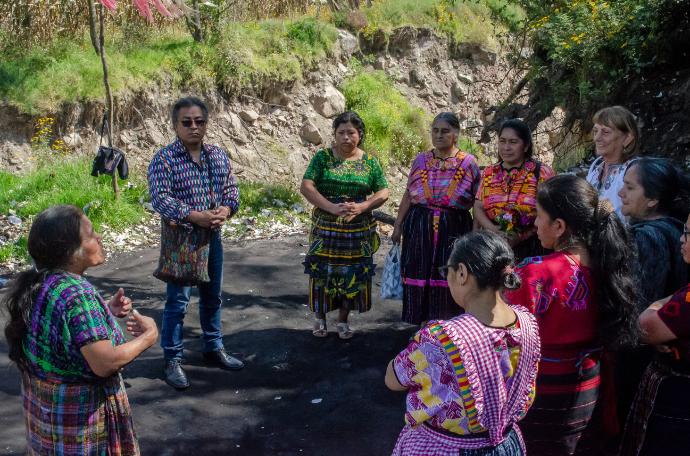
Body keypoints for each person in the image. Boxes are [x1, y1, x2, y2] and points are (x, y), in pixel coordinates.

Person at [2, 205, 158, 455]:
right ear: (71, 252)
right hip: (80, 431)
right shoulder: (78, 295)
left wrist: (104, 311)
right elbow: (105, 363)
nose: (99, 237)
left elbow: (60, 325)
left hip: (48, 424)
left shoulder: (43, 281)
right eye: (91, 234)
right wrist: (149, 336)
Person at [504, 174, 640, 455]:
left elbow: (506, 337)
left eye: (539, 216)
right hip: (588, 392)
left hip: (541, 394)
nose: (535, 223)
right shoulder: (608, 266)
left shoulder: (535, 273)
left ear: (559, 226)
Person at [386, 231, 541, 455]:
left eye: (446, 270)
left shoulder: (441, 338)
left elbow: (393, 380)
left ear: (461, 273)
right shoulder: (527, 324)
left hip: (446, 447)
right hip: (505, 444)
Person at [148, 96, 244, 390]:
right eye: (187, 122)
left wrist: (225, 210)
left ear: (206, 123)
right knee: (177, 302)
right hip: (181, 241)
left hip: (212, 238)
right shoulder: (164, 159)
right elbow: (160, 198)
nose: (194, 127)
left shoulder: (217, 156)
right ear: (175, 125)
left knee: (212, 296)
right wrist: (194, 216)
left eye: (199, 121)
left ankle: (213, 347)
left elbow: (231, 190)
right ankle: (172, 359)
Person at [300, 111, 389, 339]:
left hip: (357, 231)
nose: (346, 137)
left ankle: (342, 320)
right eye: (341, 132)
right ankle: (320, 318)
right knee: (322, 270)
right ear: (335, 134)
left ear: (360, 134)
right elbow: (307, 186)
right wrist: (331, 207)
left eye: (351, 133)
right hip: (326, 229)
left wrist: (363, 206)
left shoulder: (370, 162)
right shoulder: (322, 158)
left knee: (353, 272)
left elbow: (383, 191)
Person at [392, 112, 481, 325]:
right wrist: (398, 225)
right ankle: (422, 326)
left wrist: (475, 236)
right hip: (419, 223)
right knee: (418, 269)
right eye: (435, 130)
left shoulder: (468, 163)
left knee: (449, 271)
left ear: (455, 134)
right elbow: (408, 194)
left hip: (454, 226)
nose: (439, 135)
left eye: (445, 131)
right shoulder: (421, 160)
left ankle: (447, 327)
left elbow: (478, 202)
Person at [620, 213, 690, 455]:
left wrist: (657, 306)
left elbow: (645, 327)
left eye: (688, 233)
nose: (681, 238)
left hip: (680, 402)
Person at [474, 119, 555, 260]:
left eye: (513, 142)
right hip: (495, 246)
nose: (506, 147)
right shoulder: (489, 172)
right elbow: (478, 207)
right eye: (502, 141)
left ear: (526, 146)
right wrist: (494, 230)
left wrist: (521, 235)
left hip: (534, 246)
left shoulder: (541, 172)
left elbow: (551, 212)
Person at [585, 105, 641, 219]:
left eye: (605, 132)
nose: (596, 138)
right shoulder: (596, 167)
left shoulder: (634, 172)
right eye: (595, 131)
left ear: (627, 138)